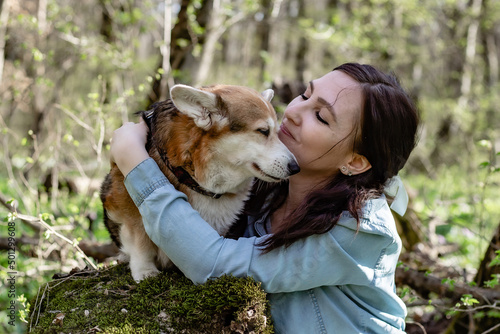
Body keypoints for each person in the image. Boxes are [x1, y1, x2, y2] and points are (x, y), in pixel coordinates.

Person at [110, 62, 419, 333]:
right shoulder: (262, 184)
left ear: (354, 162)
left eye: (321, 116)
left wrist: (136, 164)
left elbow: (213, 265)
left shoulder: (360, 231)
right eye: (306, 94)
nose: (295, 112)